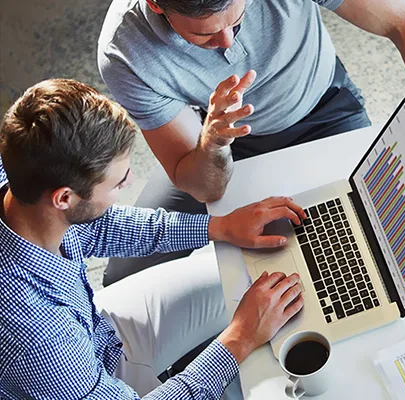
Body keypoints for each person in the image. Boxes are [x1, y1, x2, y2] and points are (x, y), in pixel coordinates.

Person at [98, 0, 405, 285]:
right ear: (156, 6)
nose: (227, 44)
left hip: (325, 114)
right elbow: (207, 187)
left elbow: (403, 20)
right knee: (127, 276)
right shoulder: (125, 51)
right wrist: (215, 141)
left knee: (370, 253)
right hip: (217, 139)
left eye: (236, 21)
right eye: (203, 36)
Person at [0, 79, 305, 399]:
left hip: (97, 336)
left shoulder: (22, 170)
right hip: (77, 377)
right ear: (64, 198)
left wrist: (218, 227)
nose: (131, 181)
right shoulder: (34, 331)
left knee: (244, 274)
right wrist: (239, 340)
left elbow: (99, 225)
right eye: (118, 183)